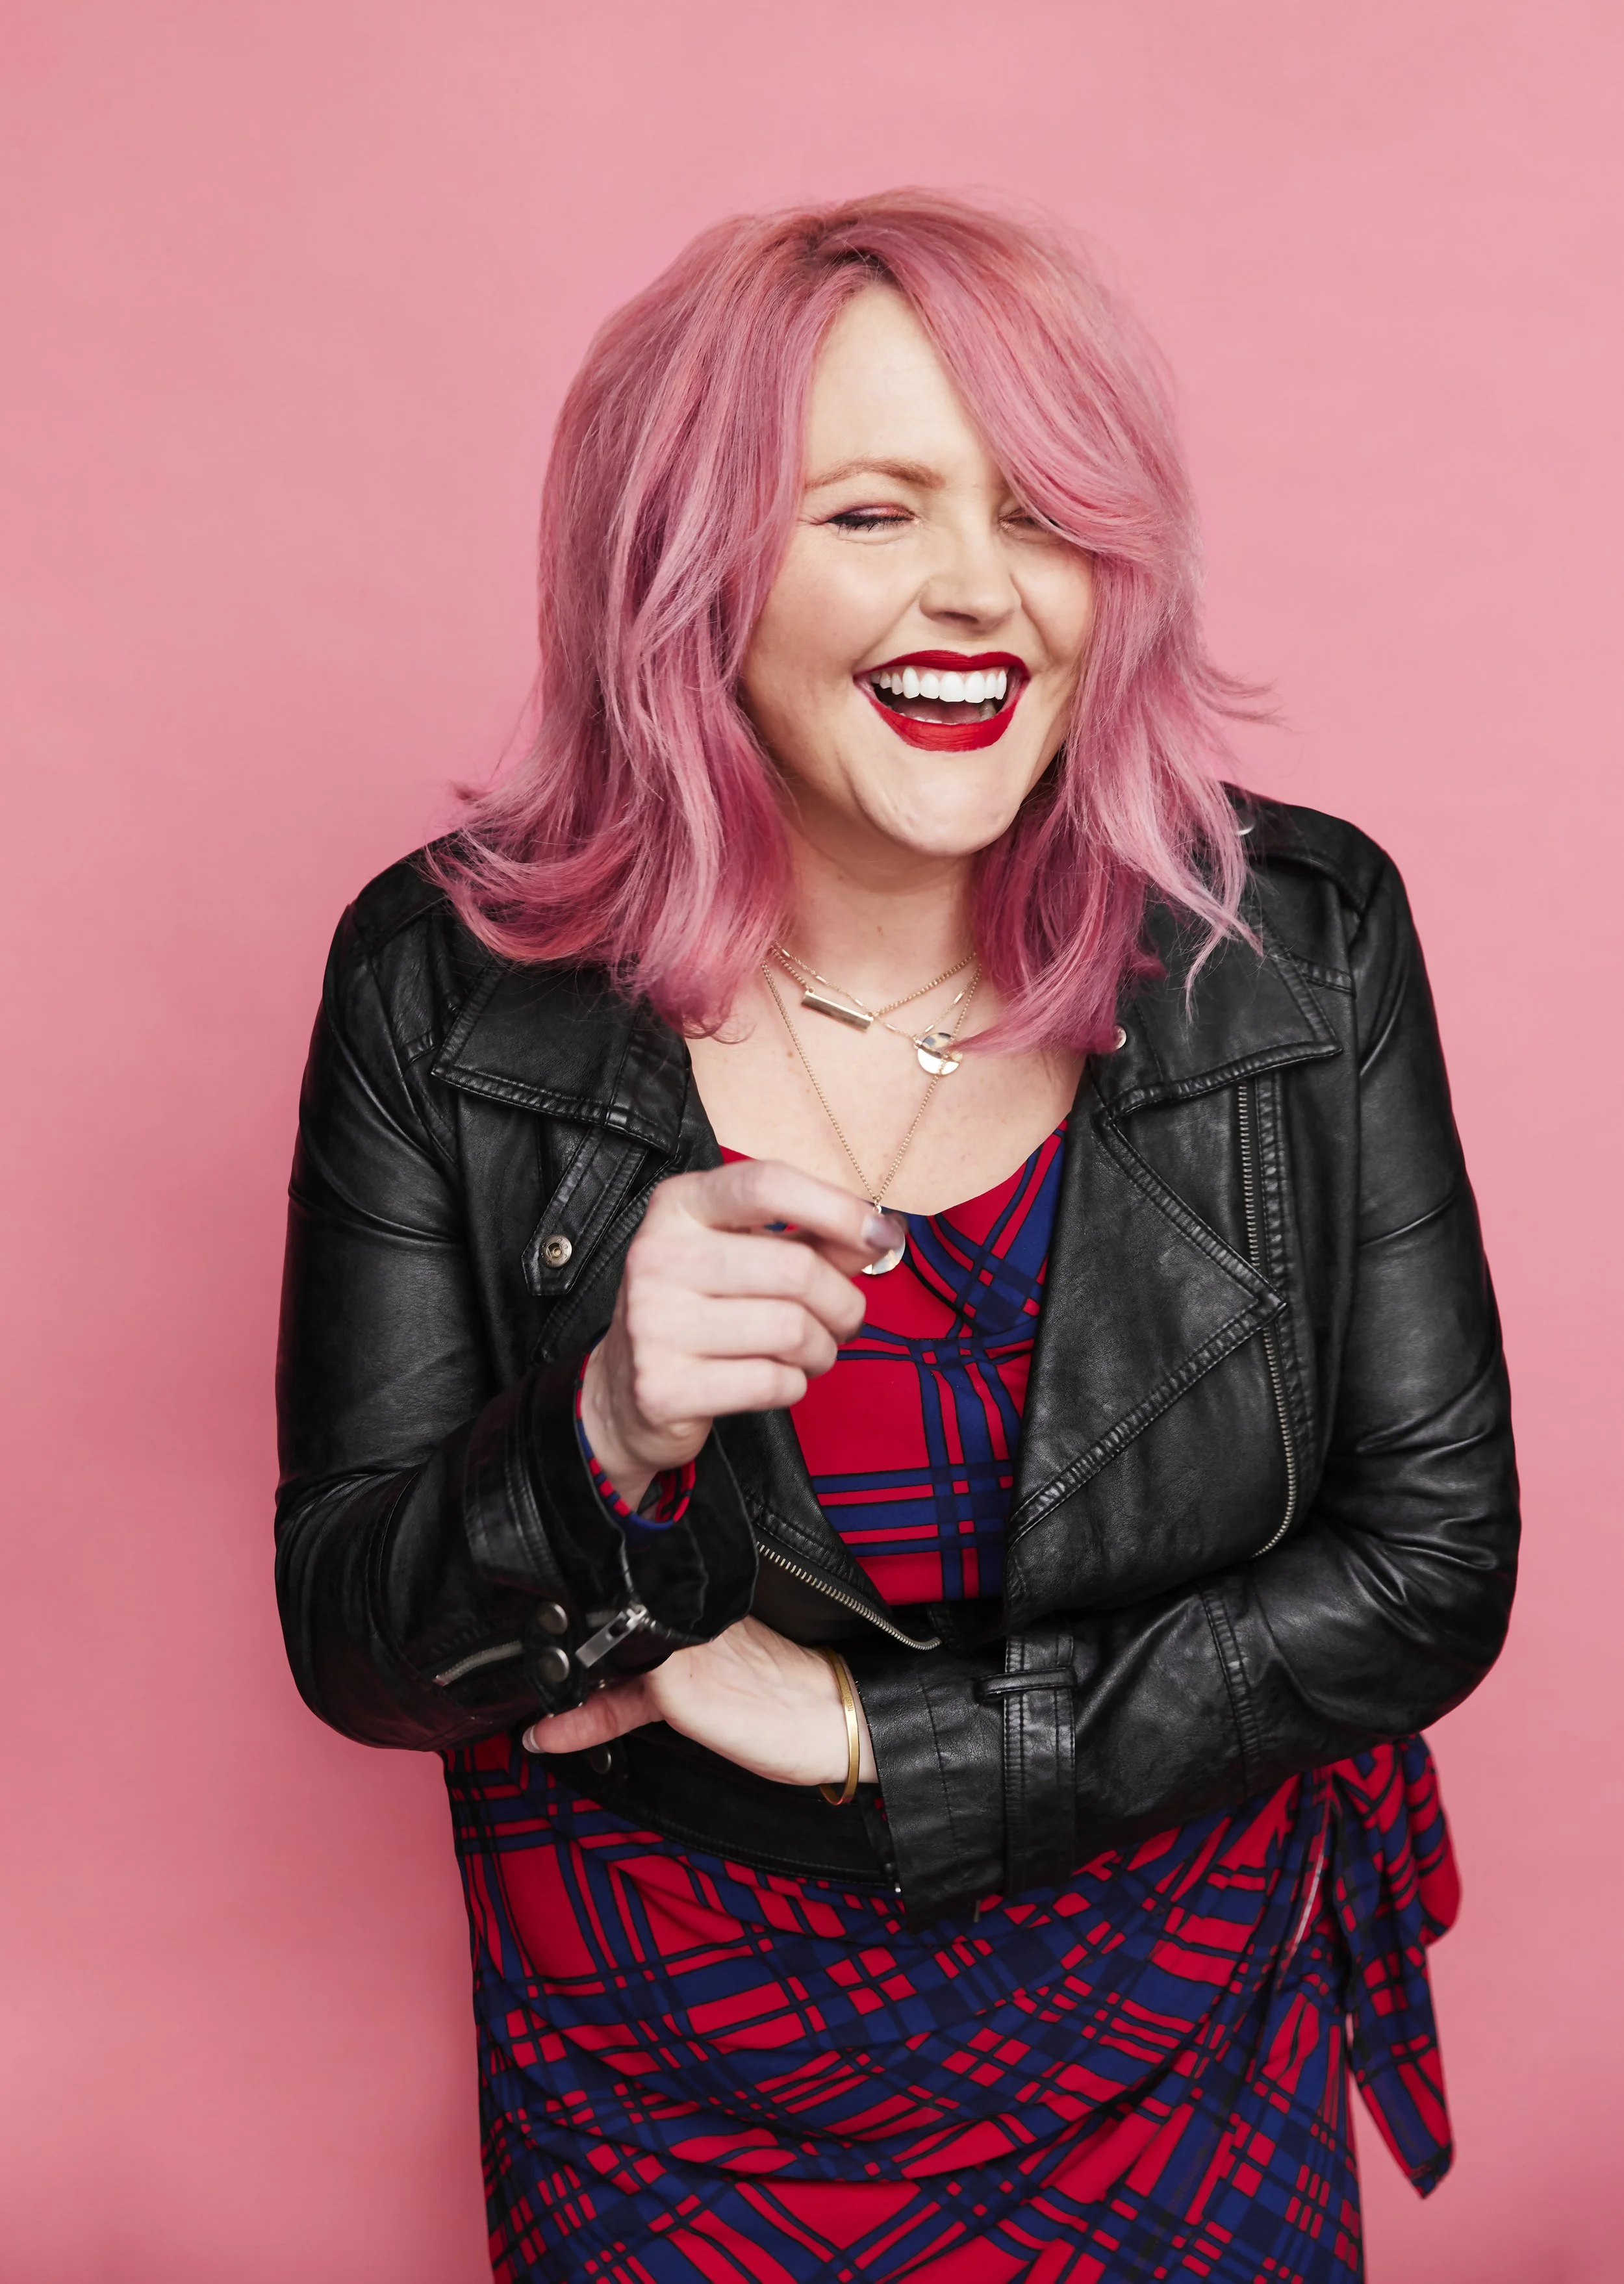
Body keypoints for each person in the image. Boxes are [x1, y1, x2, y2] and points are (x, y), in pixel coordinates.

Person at [275, 192, 1517, 2283]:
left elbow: (1426, 1566)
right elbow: (357, 1639)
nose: (980, 592)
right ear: (687, 571)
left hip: (1179, 2048)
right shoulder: (442, 984)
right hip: (660, 2083)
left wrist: (879, 1737)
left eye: (1044, 515)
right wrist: (592, 1437)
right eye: (868, 513)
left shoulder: (1288, 947)